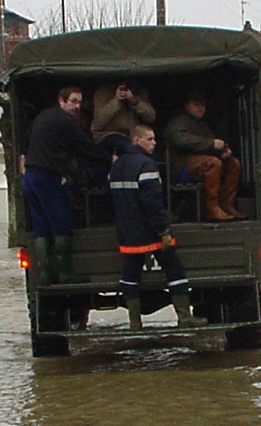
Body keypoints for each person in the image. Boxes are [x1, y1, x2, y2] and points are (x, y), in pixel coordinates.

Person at [109, 124, 208, 331]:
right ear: (136, 140)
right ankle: (185, 317)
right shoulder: (146, 165)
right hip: (150, 232)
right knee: (174, 269)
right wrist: (163, 231)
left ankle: (135, 323)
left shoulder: (116, 167)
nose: (154, 143)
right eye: (149, 139)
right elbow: (152, 203)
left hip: (127, 232)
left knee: (130, 276)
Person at [21, 86, 111, 285]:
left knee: (41, 226)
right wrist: (107, 159)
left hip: (30, 177)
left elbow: (25, 140)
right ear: (61, 101)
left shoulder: (43, 117)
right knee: (61, 224)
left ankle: (45, 274)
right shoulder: (66, 122)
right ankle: (65, 273)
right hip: (48, 177)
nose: (77, 106)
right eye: (73, 101)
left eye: (79, 102)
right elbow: (83, 147)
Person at [164, 90, 247, 221]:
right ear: (187, 105)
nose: (201, 108)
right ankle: (213, 208)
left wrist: (223, 152)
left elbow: (209, 145)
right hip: (180, 165)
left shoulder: (202, 124)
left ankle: (227, 205)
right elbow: (181, 140)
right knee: (213, 163)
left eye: (202, 105)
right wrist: (211, 144)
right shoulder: (178, 122)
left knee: (233, 163)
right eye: (196, 104)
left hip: (202, 163)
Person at [90, 81, 156, 156]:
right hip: (108, 134)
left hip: (133, 135)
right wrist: (117, 101)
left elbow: (151, 117)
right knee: (130, 150)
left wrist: (137, 103)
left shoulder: (138, 90)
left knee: (150, 151)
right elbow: (98, 122)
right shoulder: (104, 91)